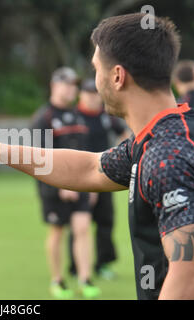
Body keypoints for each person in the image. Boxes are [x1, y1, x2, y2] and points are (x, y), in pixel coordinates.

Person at [0, 13, 194, 300]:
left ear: (117, 76)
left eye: (95, 70)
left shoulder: (168, 155)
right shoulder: (178, 130)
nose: (94, 83)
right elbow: (92, 168)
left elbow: (193, 273)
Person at [31, 67, 100, 299]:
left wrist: (92, 184)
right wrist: (59, 184)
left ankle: (85, 279)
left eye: (74, 85)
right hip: (53, 187)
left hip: (79, 184)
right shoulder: (44, 117)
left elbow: (85, 153)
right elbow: (39, 156)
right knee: (58, 230)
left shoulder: (79, 116)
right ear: (54, 85)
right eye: (67, 84)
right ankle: (58, 281)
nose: (72, 89)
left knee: (83, 227)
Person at [68, 79, 128, 280]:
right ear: (81, 95)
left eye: (95, 93)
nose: (93, 97)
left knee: (105, 221)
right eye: (88, 93)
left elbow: (124, 133)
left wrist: (117, 154)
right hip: (79, 176)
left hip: (104, 175)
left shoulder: (105, 116)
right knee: (79, 223)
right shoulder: (73, 117)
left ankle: (102, 263)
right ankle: (76, 266)